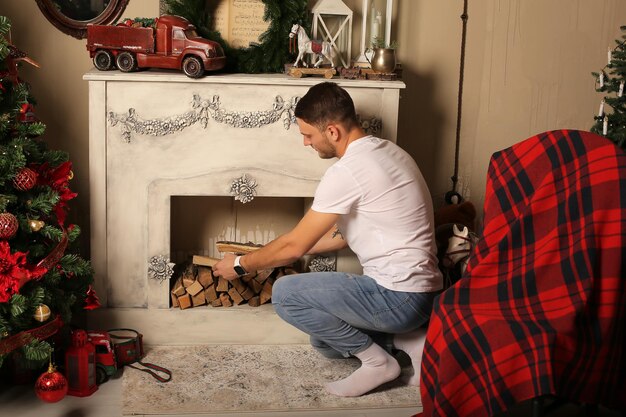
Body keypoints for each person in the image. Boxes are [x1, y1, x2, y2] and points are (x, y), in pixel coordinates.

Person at [212, 82, 443, 397]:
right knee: (324, 341)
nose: (306, 143)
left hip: (398, 297)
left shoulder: (347, 172)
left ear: (332, 132)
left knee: (285, 295)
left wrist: (240, 265)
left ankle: (379, 364)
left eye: (308, 135)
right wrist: (272, 250)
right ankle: (413, 340)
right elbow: (335, 238)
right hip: (422, 296)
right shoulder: (390, 152)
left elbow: (295, 246)